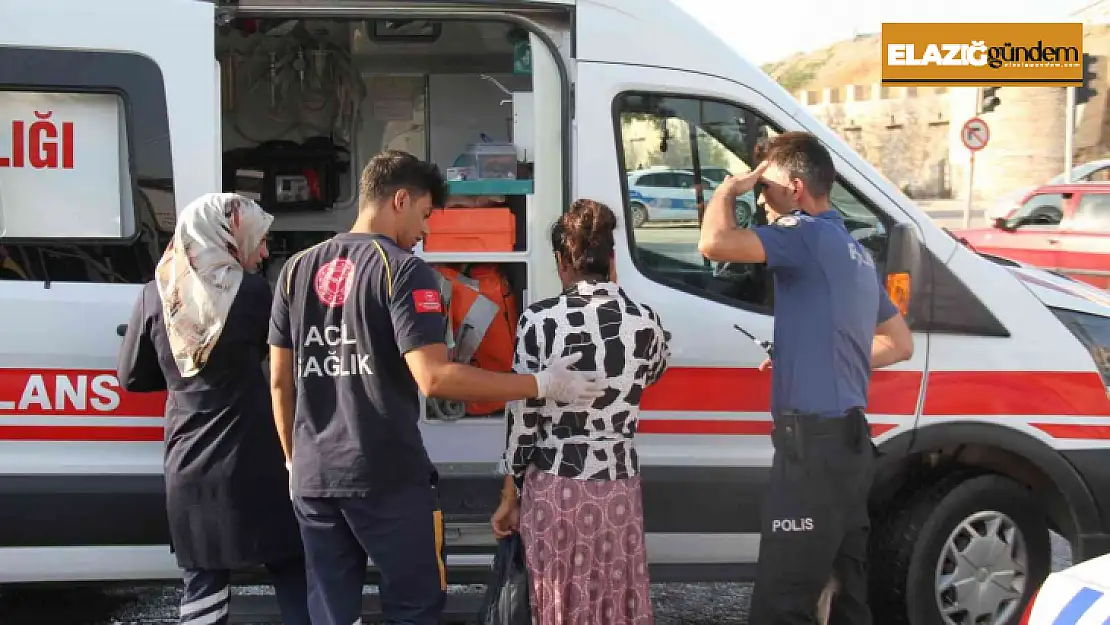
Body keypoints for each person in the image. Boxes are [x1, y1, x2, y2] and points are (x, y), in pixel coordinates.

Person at [267, 149, 606, 625]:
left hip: (313, 476)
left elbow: (281, 381)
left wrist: (291, 459)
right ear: (399, 200)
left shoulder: (296, 270)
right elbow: (435, 378)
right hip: (385, 475)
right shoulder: (403, 270)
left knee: (329, 611)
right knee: (415, 606)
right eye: (425, 216)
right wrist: (542, 384)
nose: (426, 232)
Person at [697, 131, 914, 625]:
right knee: (845, 595)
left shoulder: (803, 233)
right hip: (852, 445)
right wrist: (813, 354)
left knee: (784, 598)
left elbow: (713, 244)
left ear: (795, 188)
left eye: (765, 187)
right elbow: (900, 344)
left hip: (812, 449)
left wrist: (728, 189)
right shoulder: (853, 251)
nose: (761, 198)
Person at [117, 192, 310, 625]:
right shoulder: (256, 294)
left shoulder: (155, 296)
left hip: (190, 464)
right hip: (256, 457)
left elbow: (130, 376)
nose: (262, 252)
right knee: (292, 568)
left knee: (203, 581)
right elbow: (286, 365)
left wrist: (180, 379)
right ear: (227, 235)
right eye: (258, 240)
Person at [490, 199, 671, 625]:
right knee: (614, 591)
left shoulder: (540, 321)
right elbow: (652, 373)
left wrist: (509, 494)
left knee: (560, 594)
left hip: (557, 485)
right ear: (611, 259)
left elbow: (523, 420)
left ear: (561, 261)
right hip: (619, 487)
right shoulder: (646, 322)